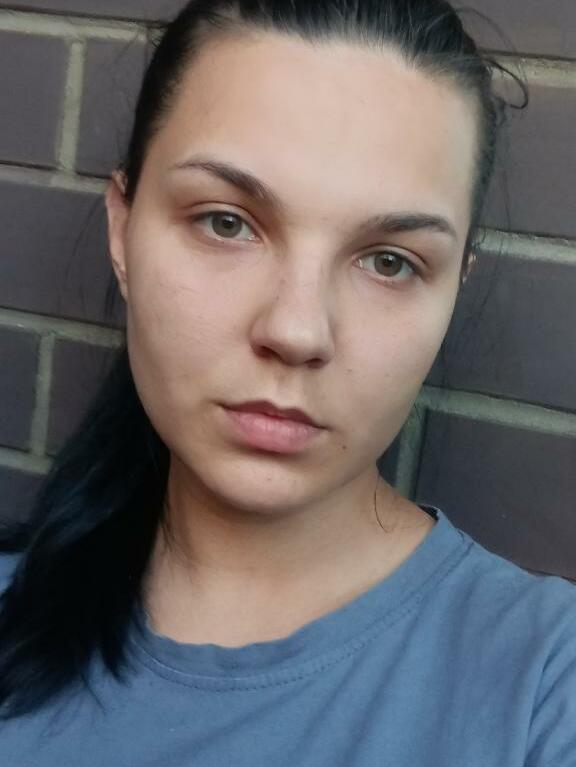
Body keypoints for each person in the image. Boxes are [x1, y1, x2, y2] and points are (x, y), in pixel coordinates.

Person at [0, 0, 574, 764]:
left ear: (453, 288)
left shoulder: (544, 685)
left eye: (390, 261)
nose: (298, 330)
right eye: (226, 222)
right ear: (122, 230)